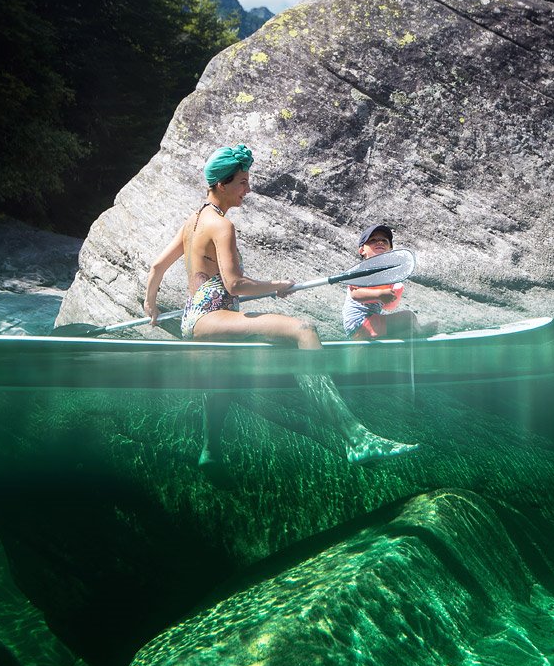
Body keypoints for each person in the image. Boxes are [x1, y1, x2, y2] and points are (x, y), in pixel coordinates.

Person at [142, 144, 418, 468]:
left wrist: (151, 305)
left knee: (221, 380)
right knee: (303, 330)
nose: (248, 188)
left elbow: (156, 268)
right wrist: (276, 287)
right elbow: (234, 285)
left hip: (198, 318)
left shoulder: (193, 221)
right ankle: (355, 438)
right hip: (212, 316)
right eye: (242, 182)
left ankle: (210, 451)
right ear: (221, 184)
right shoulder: (222, 226)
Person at [342, 224, 427, 339]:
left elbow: (388, 307)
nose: (380, 242)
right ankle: (421, 332)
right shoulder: (362, 270)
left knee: (406, 333)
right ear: (362, 250)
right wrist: (379, 294)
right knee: (408, 318)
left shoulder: (387, 275)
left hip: (372, 322)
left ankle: (416, 332)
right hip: (360, 324)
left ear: (390, 249)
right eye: (373, 240)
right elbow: (355, 294)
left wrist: (392, 296)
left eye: (384, 241)